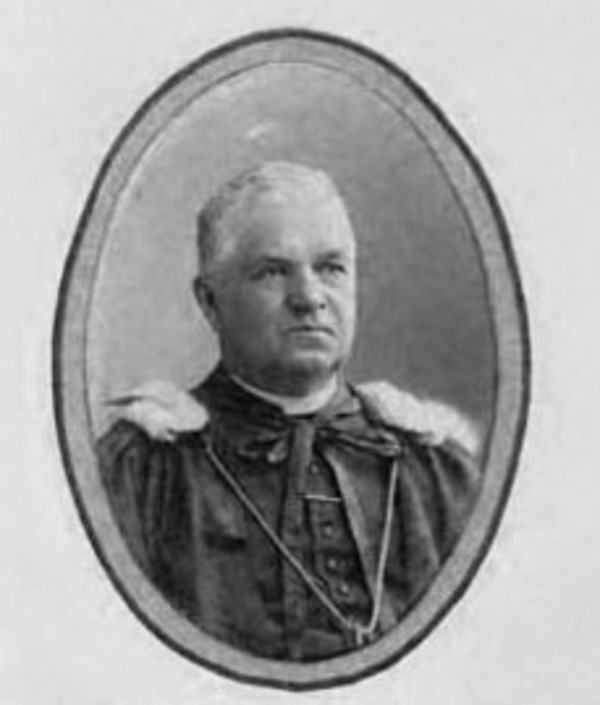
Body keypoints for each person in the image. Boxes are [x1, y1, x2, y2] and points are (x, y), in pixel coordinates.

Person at [98, 161, 481, 662]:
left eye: (331, 268)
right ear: (210, 302)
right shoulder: (140, 471)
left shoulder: (438, 471)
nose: (309, 298)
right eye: (273, 272)